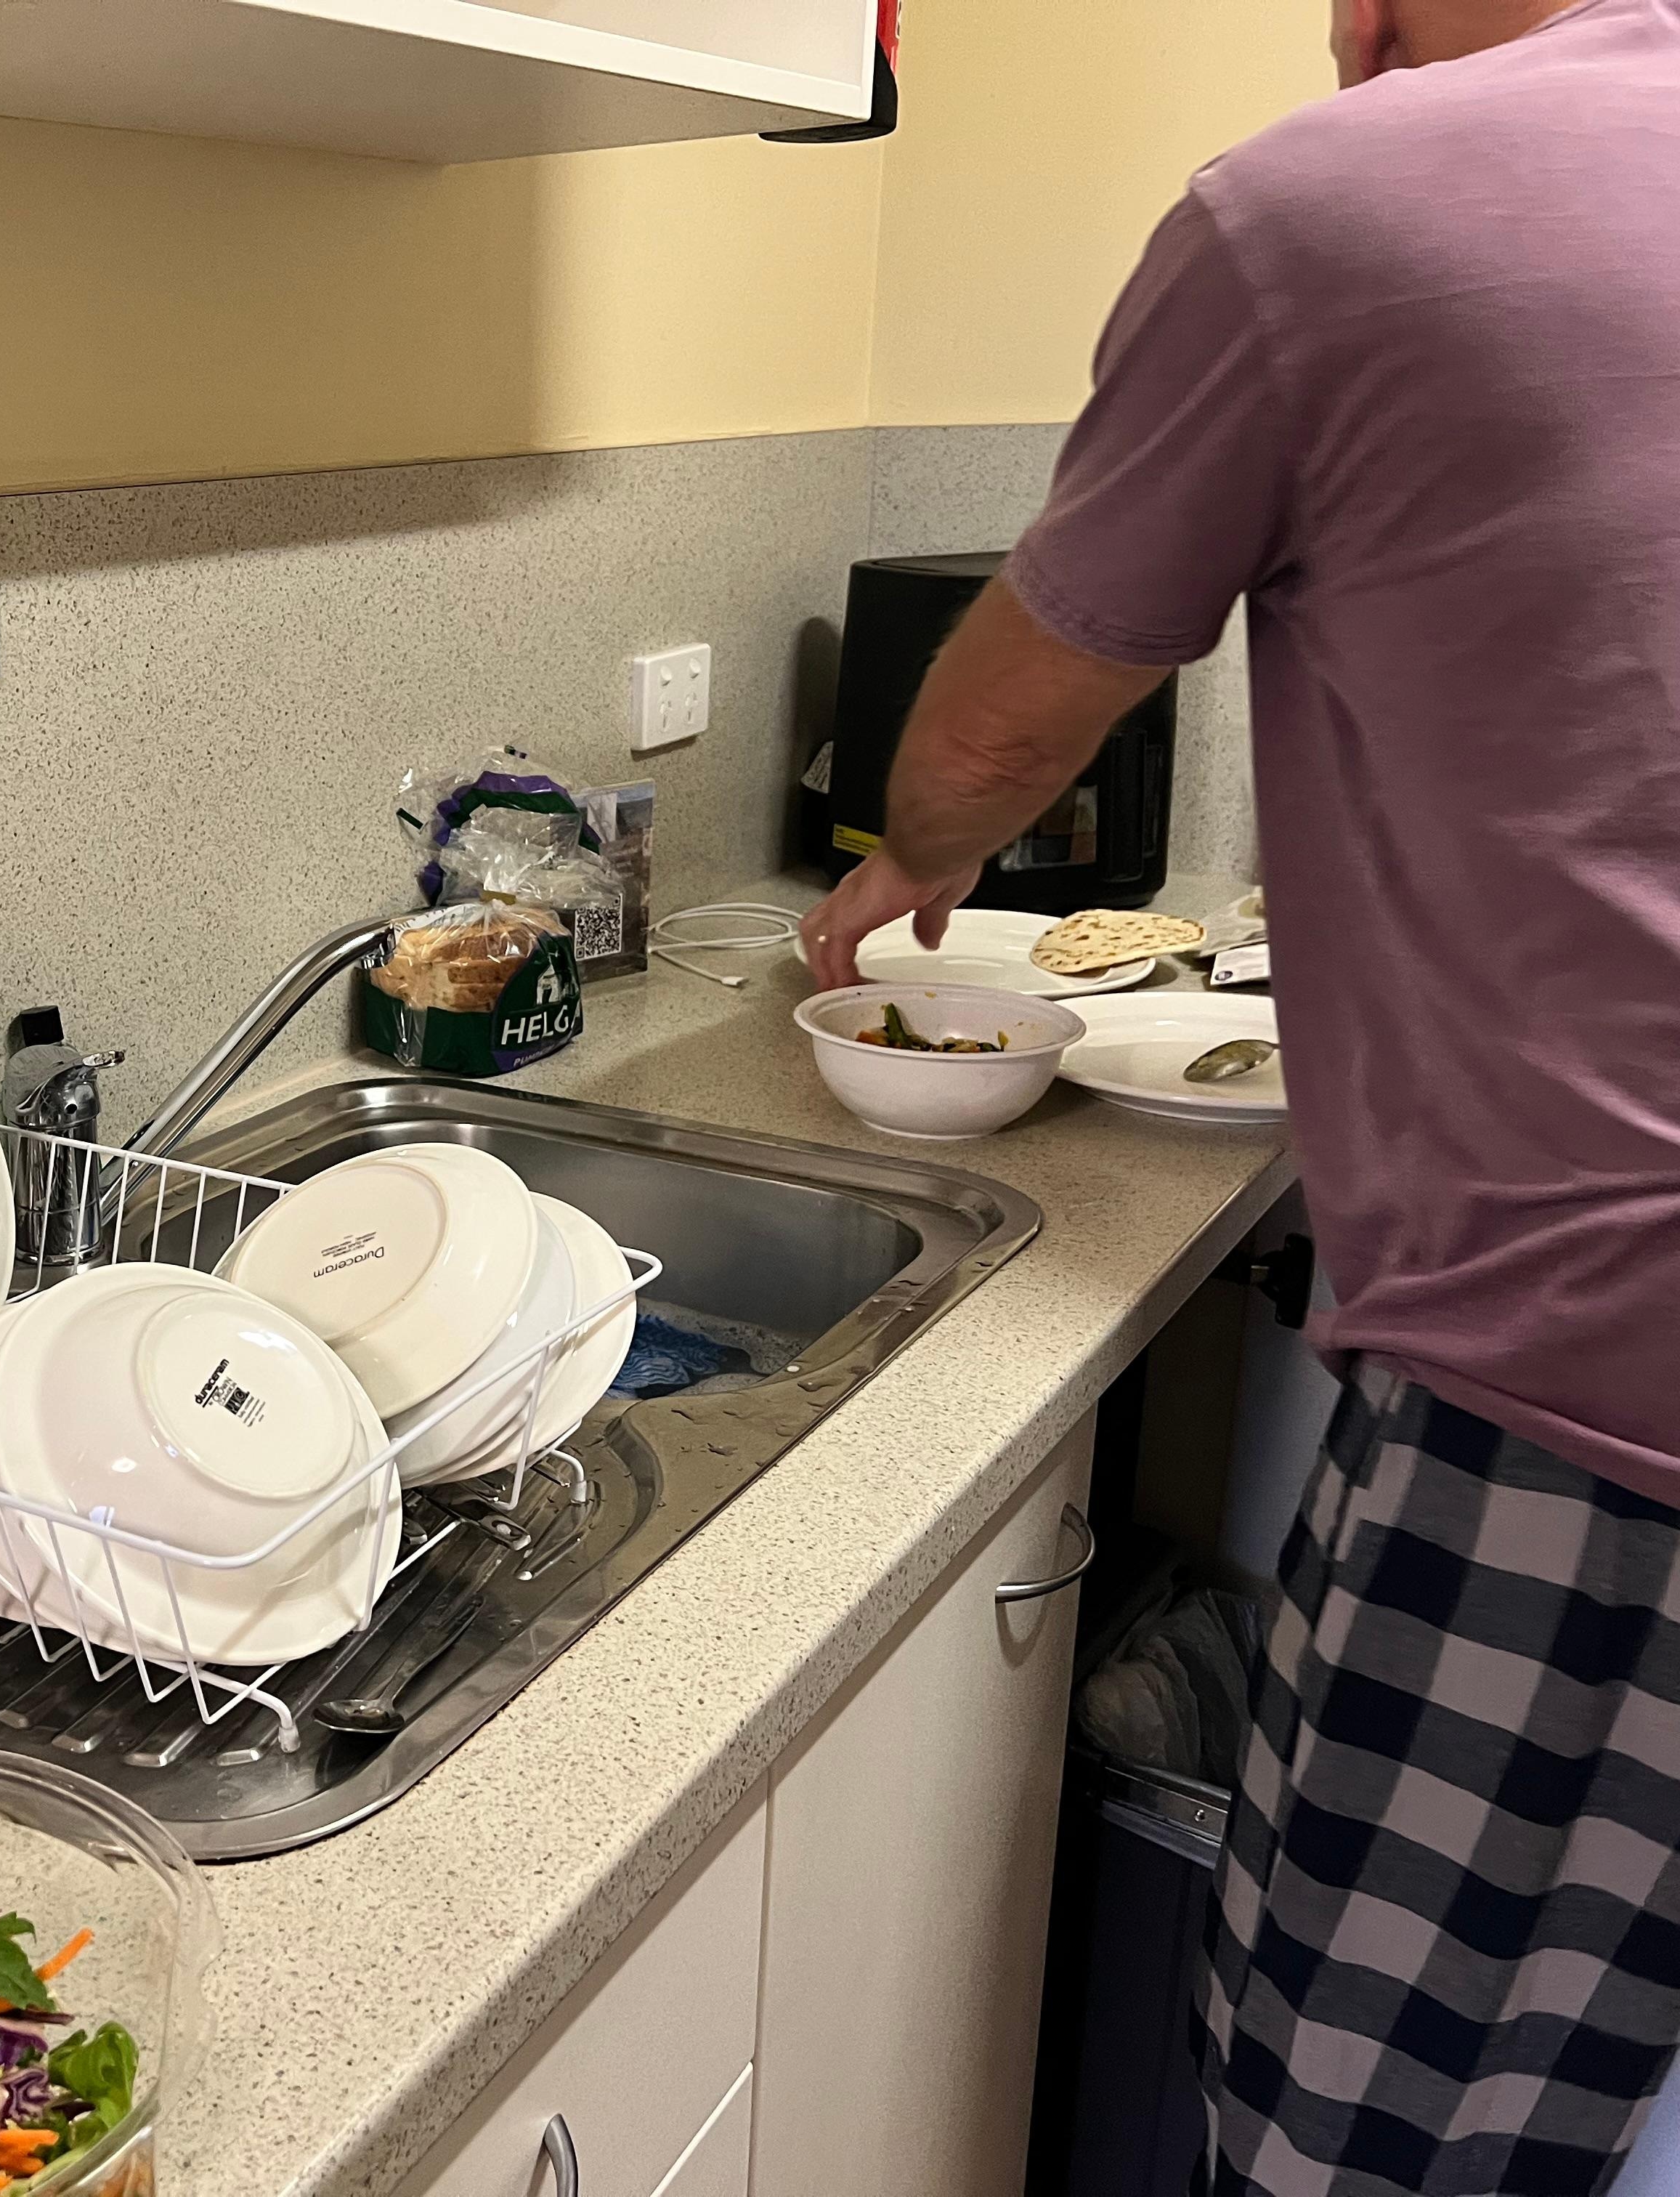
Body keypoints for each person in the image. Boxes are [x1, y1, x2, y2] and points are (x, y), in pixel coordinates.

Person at [798, 0, 1680, 2188]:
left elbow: (997, 735)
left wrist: (914, 847)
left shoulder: (1330, 209)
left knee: (1374, 2133)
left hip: (1586, 1380)